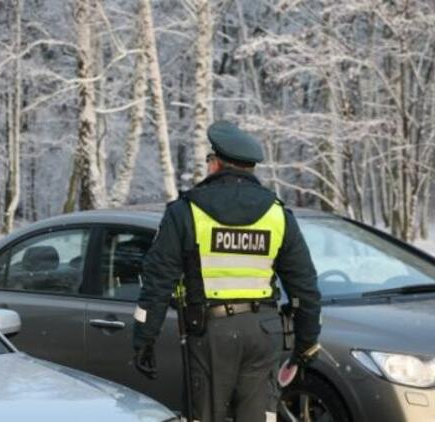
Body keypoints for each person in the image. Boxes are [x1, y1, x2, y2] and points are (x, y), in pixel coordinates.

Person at [132, 121, 322, 422]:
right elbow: (305, 286)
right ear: (250, 169)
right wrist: (306, 343)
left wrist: (144, 338)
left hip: (211, 334)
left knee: (206, 415)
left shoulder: (185, 212)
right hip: (264, 332)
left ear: (216, 163)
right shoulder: (278, 214)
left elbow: (157, 280)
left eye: (209, 160)